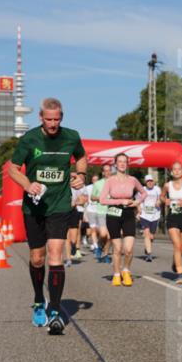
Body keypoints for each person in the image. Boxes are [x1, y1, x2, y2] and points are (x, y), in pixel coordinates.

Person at [7, 97, 87, 335]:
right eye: (48, 119)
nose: (53, 124)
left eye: (57, 119)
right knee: (37, 258)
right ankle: (39, 300)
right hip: (34, 207)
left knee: (55, 254)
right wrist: (27, 184)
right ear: (40, 117)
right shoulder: (29, 139)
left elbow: (81, 157)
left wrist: (81, 174)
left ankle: (54, 310)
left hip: (59, 204)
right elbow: (12, 168)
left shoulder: (71, 136)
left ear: (62, 117)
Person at [99, 153, 147, 287]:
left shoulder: (132, 180)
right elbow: (103, 200)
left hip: (128, 214)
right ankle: (116, 274)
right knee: (117, 248)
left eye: (124, 162)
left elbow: (144, 193)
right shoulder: (110, 180)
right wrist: (120, 200)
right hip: (113, 214)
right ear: (115, 164)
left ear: (127, 164)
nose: (122, 164)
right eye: (119, 161)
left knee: (129, 249)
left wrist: (137, 202)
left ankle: (125, 270)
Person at [91, 164, 113, 263]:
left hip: (113, 212)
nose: (107, 173)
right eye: (105, 171)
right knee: (103, 235)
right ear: (103, 173)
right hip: (101, 211)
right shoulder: (98, 184)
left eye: (109, 171)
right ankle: (100, 246)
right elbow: (92, 197)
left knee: (110, 236)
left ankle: (105, 254)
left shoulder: (115, 183)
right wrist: (100, 198)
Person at [139, 174, 161, 262]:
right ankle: (149, 254)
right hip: (144, 215)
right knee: (146, 234)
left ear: (154, 182)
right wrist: (138, 208)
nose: (150, 183)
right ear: (145, 182)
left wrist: (159, 202)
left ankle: (147, 248)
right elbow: (138, 200)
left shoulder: (157, 189)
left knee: (151, 236)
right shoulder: (142, 190)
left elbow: (161, 199)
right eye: (148, 181)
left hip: (155, 215)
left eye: (151, 181)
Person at [68, 172, 87, 263]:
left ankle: (75, 247)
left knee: (75, 234)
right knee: (65, 233)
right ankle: (69, 256)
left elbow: (84, 199)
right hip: (63, 211)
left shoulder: (81, 186)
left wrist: (77, 202)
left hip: (77, 210)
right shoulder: (63, 184)